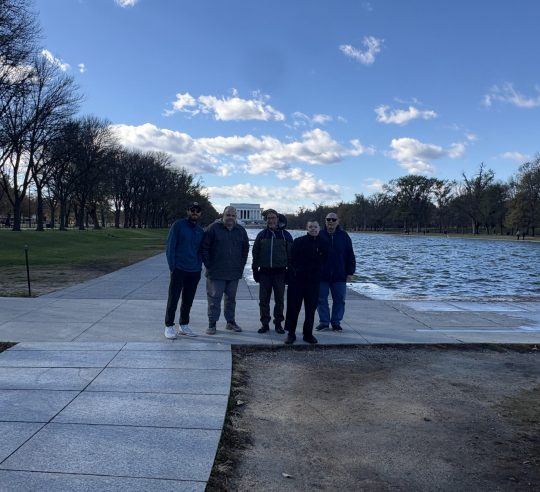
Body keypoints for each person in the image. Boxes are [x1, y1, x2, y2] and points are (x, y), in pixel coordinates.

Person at [201, 206, 249, 335]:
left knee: (231, 299)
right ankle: (212, 323)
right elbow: (204, 248)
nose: (230, 218)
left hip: (233, 272)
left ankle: (230, 322)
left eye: (233, 216)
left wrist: (241, 265)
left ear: (236, 217)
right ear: (223, 215)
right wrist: (209, 265)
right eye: (228, 215)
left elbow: (245, 249)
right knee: (214, 299)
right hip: (216, 272)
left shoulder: (240, 230)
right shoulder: (213, 228)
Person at [164, 201, 205, 339]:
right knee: (173, 298)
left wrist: (199, 266)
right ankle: (169, 325)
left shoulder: (200, 230)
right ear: (187, 211)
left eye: (197, 210)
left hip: (194, 270)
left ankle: (184, 324)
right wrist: (172, 266)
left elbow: (200, 251)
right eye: (192, 209)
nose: (194, 212)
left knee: (188, 299)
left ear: (200, 213)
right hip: (179, 268)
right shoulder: (178, 225)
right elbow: (170, 246)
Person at [284, 219, 328, 345]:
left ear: (319, 228)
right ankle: (291, 333)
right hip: (297, 281)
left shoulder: (323, 243)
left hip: (313, 282)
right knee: (293, 308)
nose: (313, 229)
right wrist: (295, 273)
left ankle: (308, 334)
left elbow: (325, 260)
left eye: (315, 227)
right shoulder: (298, 241)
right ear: (307, 228)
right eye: (310, 227)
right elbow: (291, 259)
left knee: (310, 309)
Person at [252, 209, 293, 334]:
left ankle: (278, 323)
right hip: (264, 272)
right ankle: (265, 324)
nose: (271, 220)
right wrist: (255, 269)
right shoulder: (261, 235)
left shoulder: (286, 235)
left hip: (280, 273)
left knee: (279, 300)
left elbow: (291, 255)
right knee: (263, 300)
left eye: (273, 218)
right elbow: (255, 253)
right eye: (269, 218)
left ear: (278, 219)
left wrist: (290, 272)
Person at [316, 212, 356, 332]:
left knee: (339, 300)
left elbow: (350, 255)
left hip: (339, 274)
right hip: (322, 275)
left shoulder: (344, 236)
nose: (331, 222)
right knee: (321, 299)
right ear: (325, 221)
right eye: (328, 219)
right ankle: (324, 321)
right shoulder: (319, 235)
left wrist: (350, 272)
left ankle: (336, 322)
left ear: (338, 221)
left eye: (333, 219)